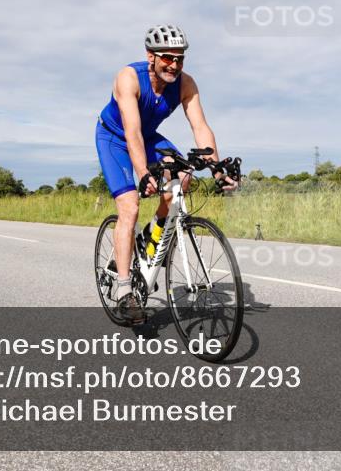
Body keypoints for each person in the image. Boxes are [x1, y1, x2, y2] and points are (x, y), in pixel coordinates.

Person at [96, 24, 236, 323]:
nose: (174, 64)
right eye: (167, 57)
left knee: (183, 176)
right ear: (151, 56)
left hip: (148, 136)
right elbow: (131, 131)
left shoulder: (186, 84)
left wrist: (216, 167)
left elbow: (200, 126)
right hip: (114, 138)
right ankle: (124, 290)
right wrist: (144, 173)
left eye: (180, 58)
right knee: (130, 207)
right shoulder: (129, 78)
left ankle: (150, 241)